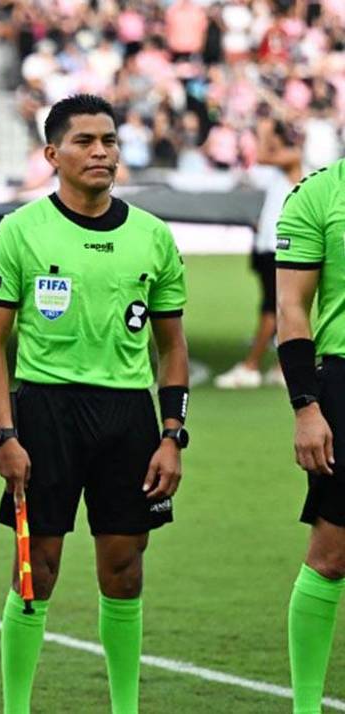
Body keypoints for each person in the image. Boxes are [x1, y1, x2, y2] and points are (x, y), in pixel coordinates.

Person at [0, 94, 189, 714]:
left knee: (124, 570)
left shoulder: (153, 236)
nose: (101, 152)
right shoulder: (19, 231)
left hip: (129, 418)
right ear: (52, 154)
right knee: (35, 571)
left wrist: (172, 434)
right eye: (85, 142)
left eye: (110, 141)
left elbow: (172, 347)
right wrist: (3, 434)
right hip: (45, 414)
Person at [274, 151, 345, 713]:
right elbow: (292, 311)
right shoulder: (318, 195)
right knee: (331, 553)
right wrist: (306, 406)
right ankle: (303, 707)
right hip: (342, 380)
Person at [215, 117, 303, 389]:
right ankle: (283, 366)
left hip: (279, 247)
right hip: (266, 245)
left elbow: (262, 157)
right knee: (279, 307)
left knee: (272, 308)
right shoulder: (278, 168)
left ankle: (251, 366)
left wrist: (264, 132)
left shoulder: (292, 157)